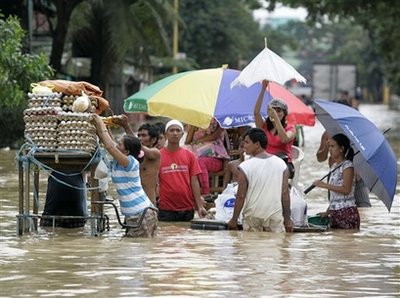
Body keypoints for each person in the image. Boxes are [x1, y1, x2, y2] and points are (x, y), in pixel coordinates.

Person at [92, 114, 157, 237]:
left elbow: (110, 147)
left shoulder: (130, 162)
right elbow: (110, 143)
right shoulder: (117, 162)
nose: (117, 145)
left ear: (126, 152)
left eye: (120, 144)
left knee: (134, 252)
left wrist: (100, 123)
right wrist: (102, 127)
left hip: (141, 215)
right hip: (135, 215)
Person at [227, 128, 293, 233]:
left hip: (253, 217)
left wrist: (234, 219)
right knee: (275, 248)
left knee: (251, 247)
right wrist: (288, 219)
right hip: (274, 217)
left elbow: (240, 196)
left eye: (247, 142)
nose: (244, 145)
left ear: (257, 144)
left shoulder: (244, 167)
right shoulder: (281, 164)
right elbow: (285, 194)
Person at [316, 102, 371, 208]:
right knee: (336, 208)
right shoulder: (328, 134)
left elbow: (367, 155)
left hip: (357, 176)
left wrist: (358, 169)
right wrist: (326, 147)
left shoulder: (358, 132)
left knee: (364, 207)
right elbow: (320, 158)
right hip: (336, 176)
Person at [158, 119, 207, 221]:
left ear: (181, 134)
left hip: (187, 208)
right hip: (165, 209)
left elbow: (194, 181)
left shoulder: (189, 155)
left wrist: (200, 206)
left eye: (178, 130)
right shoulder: (158, 156)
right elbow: (153, 182)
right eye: (171, 130)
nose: (175, 133)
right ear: (166, 134)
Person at [313, 133, 360, 229]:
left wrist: (324, 185)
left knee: (345, 243)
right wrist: (327, 212)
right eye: (329, 146)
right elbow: (335, 197)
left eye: (333, 146)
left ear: (341, 149)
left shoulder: (348, 166)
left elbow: (346, 190)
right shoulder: (334, 167)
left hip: (347, 213)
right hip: (335, 214)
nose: (329, 149)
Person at [112, 116, 161, 206]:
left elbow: (137, 146)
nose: (139, 138)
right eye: (138, 135)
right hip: (132, 205)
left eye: (144, 135)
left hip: (148, 204)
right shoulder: (131, 157)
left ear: (153, 140)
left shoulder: (155, 153)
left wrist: (126, 126)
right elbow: (114, 148)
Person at [254, 80, 296, 177]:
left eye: (279, 111)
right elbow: (256, 113)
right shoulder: (264, 126)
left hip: (283, 163)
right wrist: (263, 90)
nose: (276, 113)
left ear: (284, 113)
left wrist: (276, 118)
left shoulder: (290, 128)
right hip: (265, 161)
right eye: (274, 110)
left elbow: (284, 139)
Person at [185, 118, 230, 197]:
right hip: (196, 156)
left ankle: (206, 194)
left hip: (216, 158)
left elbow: (214, 136)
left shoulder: (219, 120)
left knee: (200, 162)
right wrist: (193, 125)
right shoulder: (194, 122)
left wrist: (199, 141)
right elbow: (187, 141)